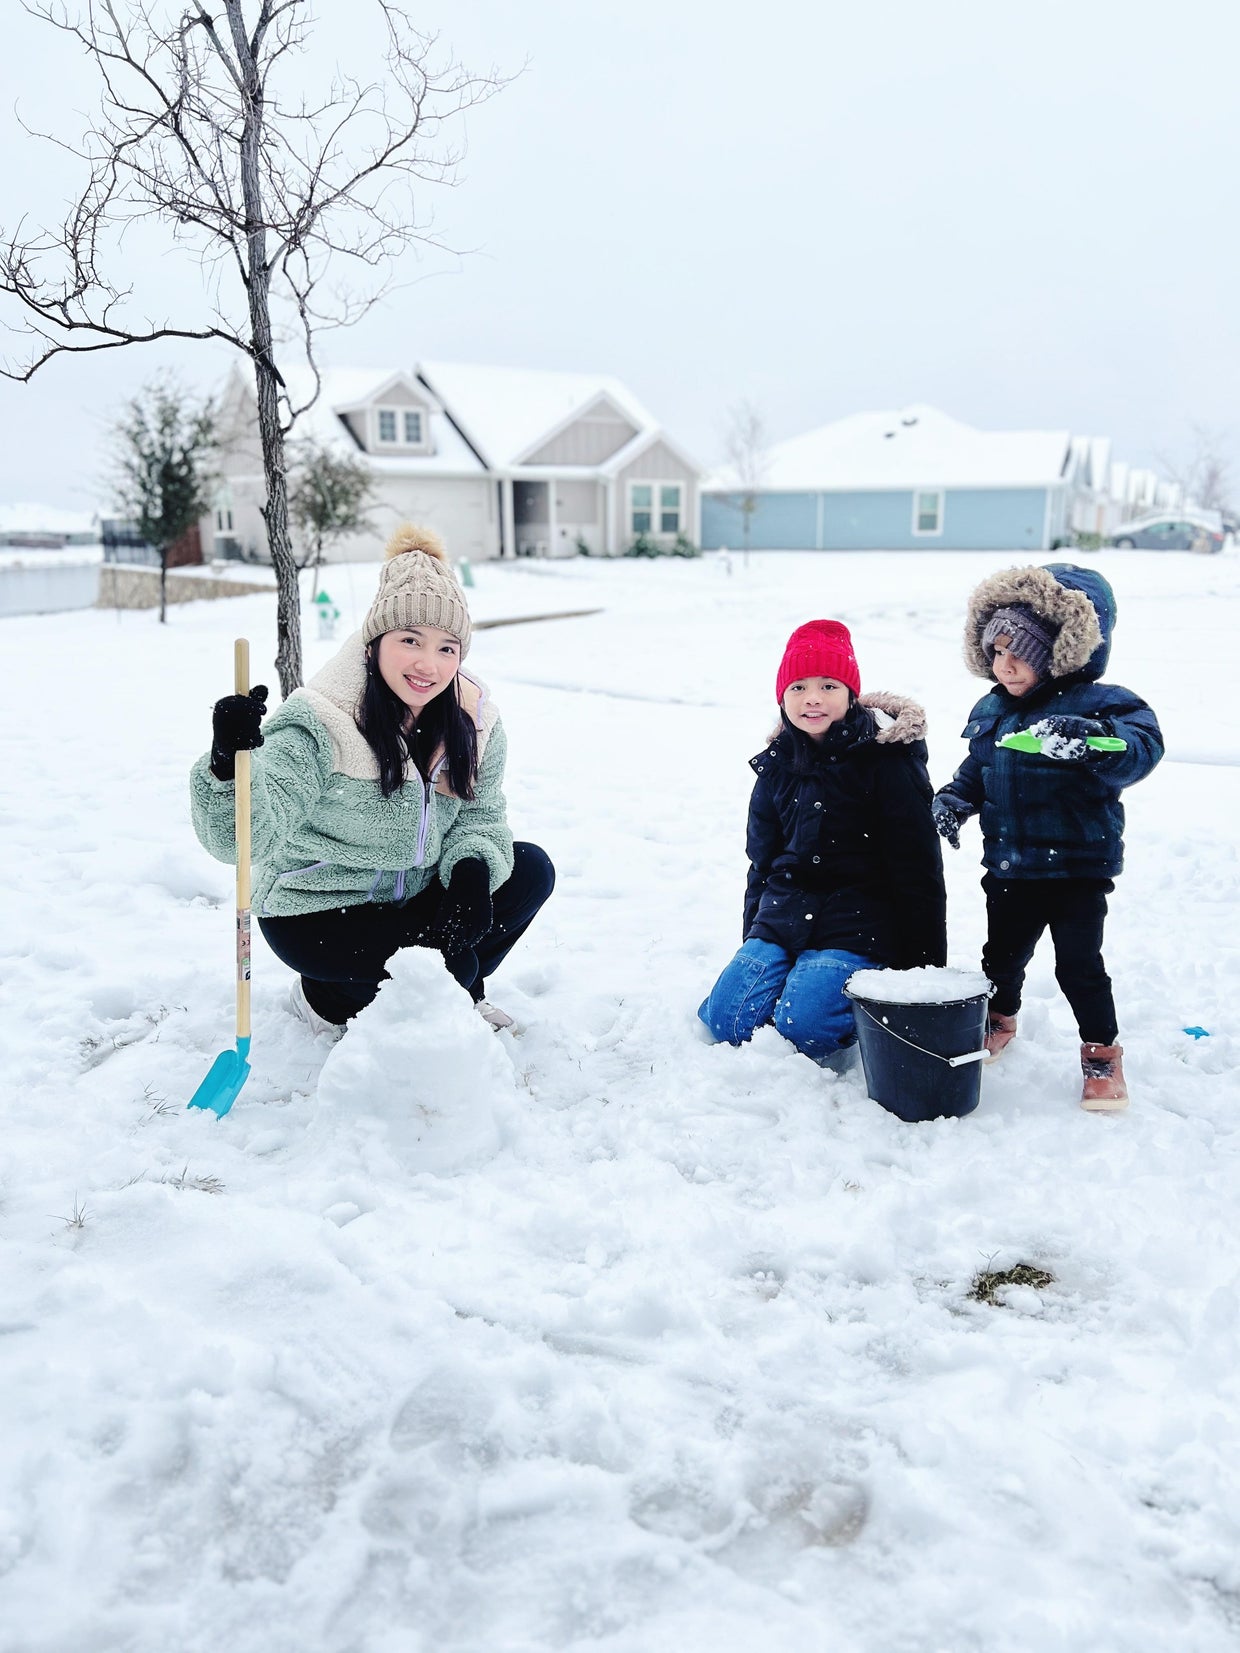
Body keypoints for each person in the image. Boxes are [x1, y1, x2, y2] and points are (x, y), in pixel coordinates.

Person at [190, 524, 554, 1037]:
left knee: (531, 870)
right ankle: (326, 998)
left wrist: (471, 870)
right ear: (374, 643)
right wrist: (229, 764)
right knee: (456, 970)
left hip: (413, 896)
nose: (429, 664)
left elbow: (480, 815)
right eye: (410, 640)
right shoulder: (322, 719)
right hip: (318, 910)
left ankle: (439, 996)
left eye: (448, 647)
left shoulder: (473, 722)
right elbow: (241, 841)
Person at [932, 564, 1163, 1109]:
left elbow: (1139, 749)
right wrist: (953, 799)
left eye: (1018, 654)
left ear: (1056, 653)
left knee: (1079, 967)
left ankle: (1102, 1053)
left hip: (1078, 870)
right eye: (994, 653)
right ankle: (1000, 1017)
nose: (1002, 666)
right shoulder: (992, 709)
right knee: (1002, 957)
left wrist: (1089, 742)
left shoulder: (1104, 705)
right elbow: (978, 767)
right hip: (1011, 865)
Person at [698, 620, 947, 1064]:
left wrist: (921, 973)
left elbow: (918, 867)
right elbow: (763, 862)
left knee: (805, 1029)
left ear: (851, 694)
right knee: (728, 1021)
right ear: (782, 698)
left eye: (828, 685)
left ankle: (828, 988)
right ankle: (793, 974)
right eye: (798, 687)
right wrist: (754, 939)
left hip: (858, 922)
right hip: (783, 915)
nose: (812, 698)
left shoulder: (886, 763)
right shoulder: (776, 766)